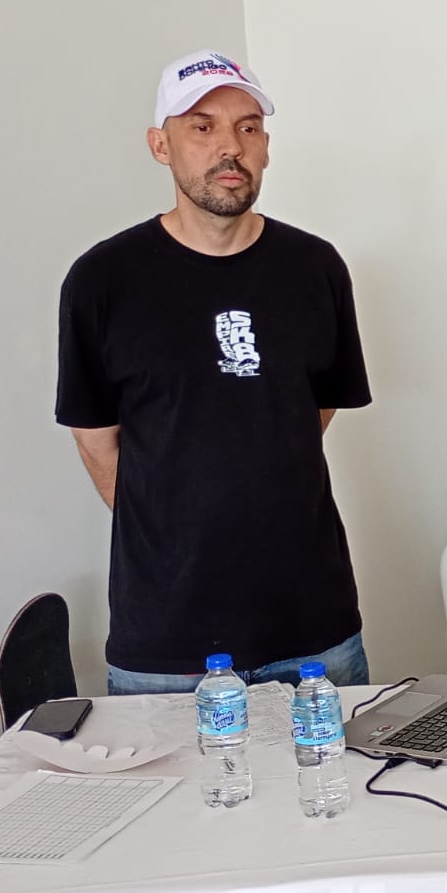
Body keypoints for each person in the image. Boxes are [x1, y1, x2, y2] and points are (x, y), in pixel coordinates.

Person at [56, 50, 372, 694]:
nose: (230, 147)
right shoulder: (102, 281)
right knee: (181, 797)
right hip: (166, 641)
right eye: (201, 127)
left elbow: (312, 408)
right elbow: (96, 439)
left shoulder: (316, 268)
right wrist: (175, 527)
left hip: (314, 624)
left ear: (265, 147)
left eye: (247, 127)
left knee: (340, 792)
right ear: (159, 145)